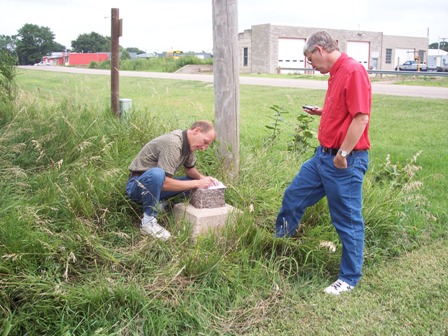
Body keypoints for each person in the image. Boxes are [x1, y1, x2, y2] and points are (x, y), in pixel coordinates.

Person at [275, 31, 371, 295]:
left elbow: (360, 118)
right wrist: (323, 111)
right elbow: (345, 110)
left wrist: (342, 155)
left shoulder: (352, 71)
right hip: (321, 157)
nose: (310, 65)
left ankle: (349, 278)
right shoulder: (335, 74)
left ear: (319, 49)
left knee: (347, 220)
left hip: (343, 161)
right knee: (293, 197)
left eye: (309, 59)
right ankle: (278, 248)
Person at [126, 120, 220, 240]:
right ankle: (148, 222)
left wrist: (203, 179)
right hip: (137, 186)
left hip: (155, 185)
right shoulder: (173, 144)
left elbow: (190, 170)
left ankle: (162, 204)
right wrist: (197, 182)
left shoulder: (188, 145)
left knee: (190, 181)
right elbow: (164, 182)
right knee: (158, 174)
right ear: (197, 131)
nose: (204, 148)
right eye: (205, 142)